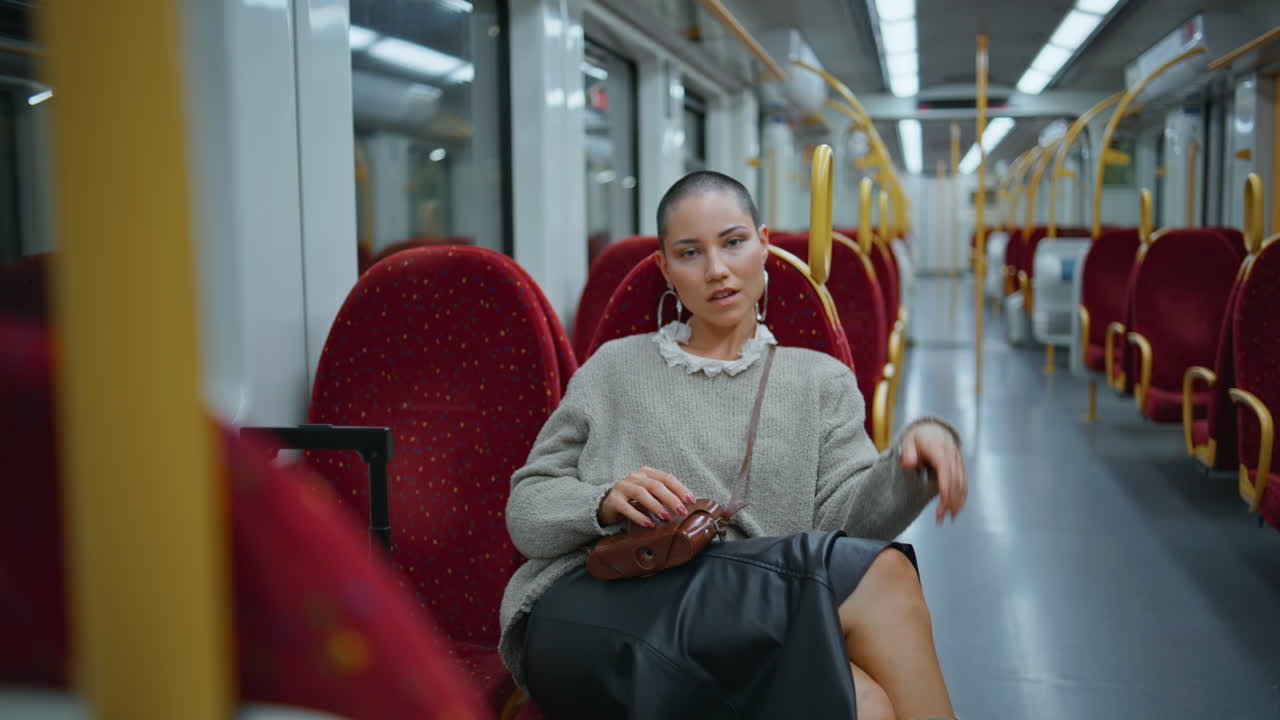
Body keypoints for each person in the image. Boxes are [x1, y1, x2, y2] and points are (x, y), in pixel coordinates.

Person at [499, 171, 967, 720]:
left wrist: (911, 463)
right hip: (595, 608)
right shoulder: (613, 369)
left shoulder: (820, 381)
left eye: (734, 242)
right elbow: (526, 511)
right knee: (883, 583)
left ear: (764, 244)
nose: (717, 269)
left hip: (746, 627)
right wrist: (600, 501)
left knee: (867, 705)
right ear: (665, 269)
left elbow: (849, 526)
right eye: (690, 252)